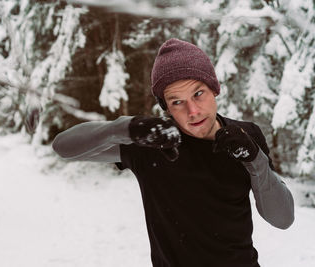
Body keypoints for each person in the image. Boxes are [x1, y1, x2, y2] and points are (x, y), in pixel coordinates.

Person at [52, 38, 294, 267]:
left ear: (214, 89)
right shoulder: (154, 143)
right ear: (166, 107)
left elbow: (282, 219)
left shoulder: (246, 135)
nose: (193, 111)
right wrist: (121, 128)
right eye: (177, 101)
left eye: (198, 94)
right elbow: (63, 147)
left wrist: (254, 160)